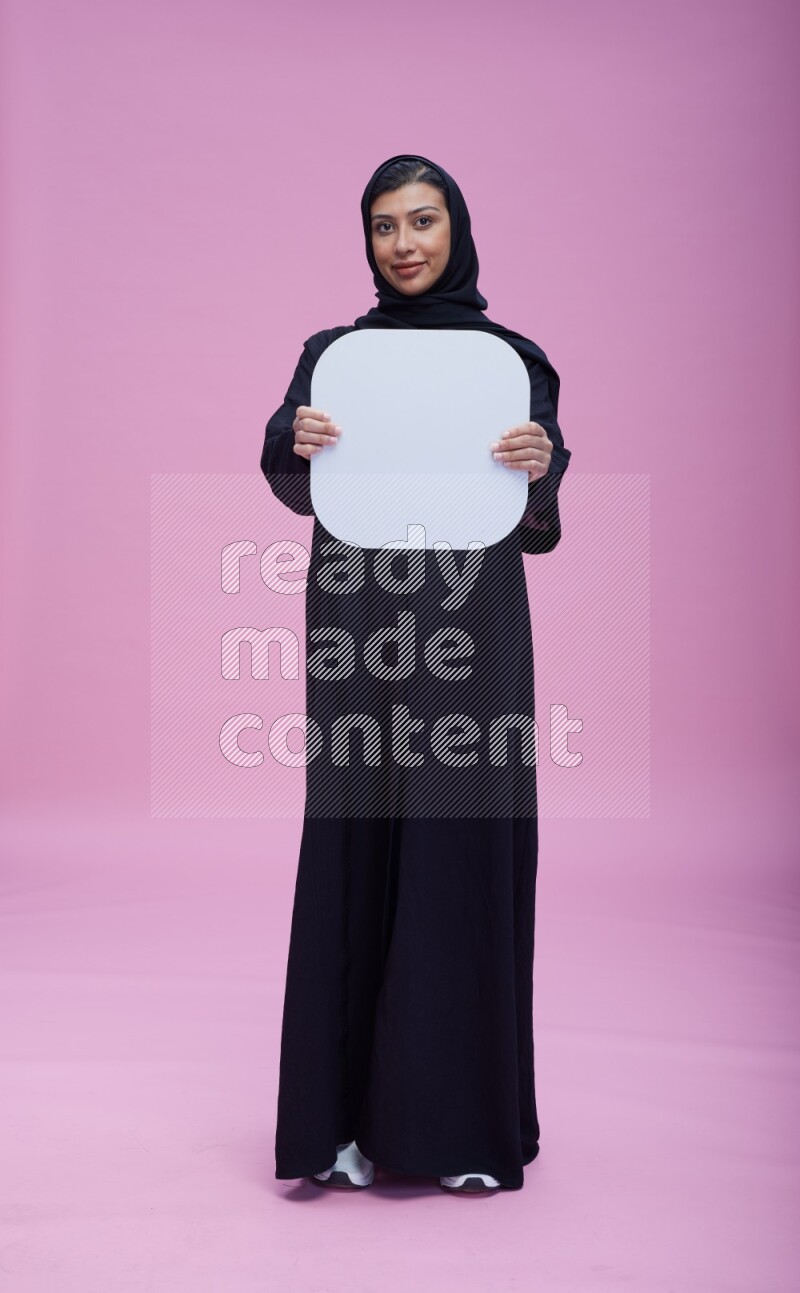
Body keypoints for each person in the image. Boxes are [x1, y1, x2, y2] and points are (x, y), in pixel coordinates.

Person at [259, 154, 572, 1195]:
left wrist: (539, 462)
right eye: (384, 225)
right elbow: (292, 479)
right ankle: (338, 1126)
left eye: (423, 221)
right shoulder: (334, 356)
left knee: (458, 842)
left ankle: (459, 1128)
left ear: (457, 230)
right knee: (356, 836)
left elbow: (534, 521)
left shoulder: (510, 360)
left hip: (472, 626)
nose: (403, 244)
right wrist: (294, 438)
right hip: (356, 617)